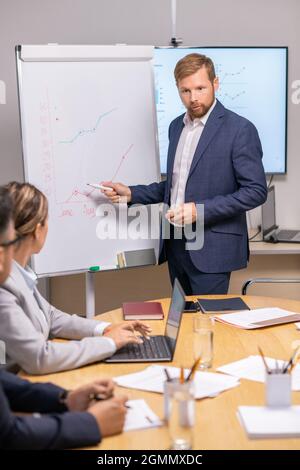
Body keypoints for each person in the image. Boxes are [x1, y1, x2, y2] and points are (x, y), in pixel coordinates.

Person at [101, 53, 267, 295]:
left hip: (212, 249)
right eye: (185, 91)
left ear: (216, 84)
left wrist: (198, 211)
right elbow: (176, 185)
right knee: (183, 323)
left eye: (200, 88)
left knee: (207, 324)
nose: (193, 98)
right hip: (175, 244)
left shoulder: (240, 129)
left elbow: (256, 191)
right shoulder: (176, 126)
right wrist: (131, 193)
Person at [0, 186, 128, 449]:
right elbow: (9, 435)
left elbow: (50, 316)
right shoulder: (5, 285)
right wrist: (91, 423)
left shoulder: (17, 275)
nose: (6, 257)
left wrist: (63, 399)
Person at [0, 181, 151, 375]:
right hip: (16, 390)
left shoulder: (19, 270)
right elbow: (40, 357)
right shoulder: (5, 285)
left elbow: (52, 317)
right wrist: (109, 343)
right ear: (37, 230)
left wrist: (105, 328)